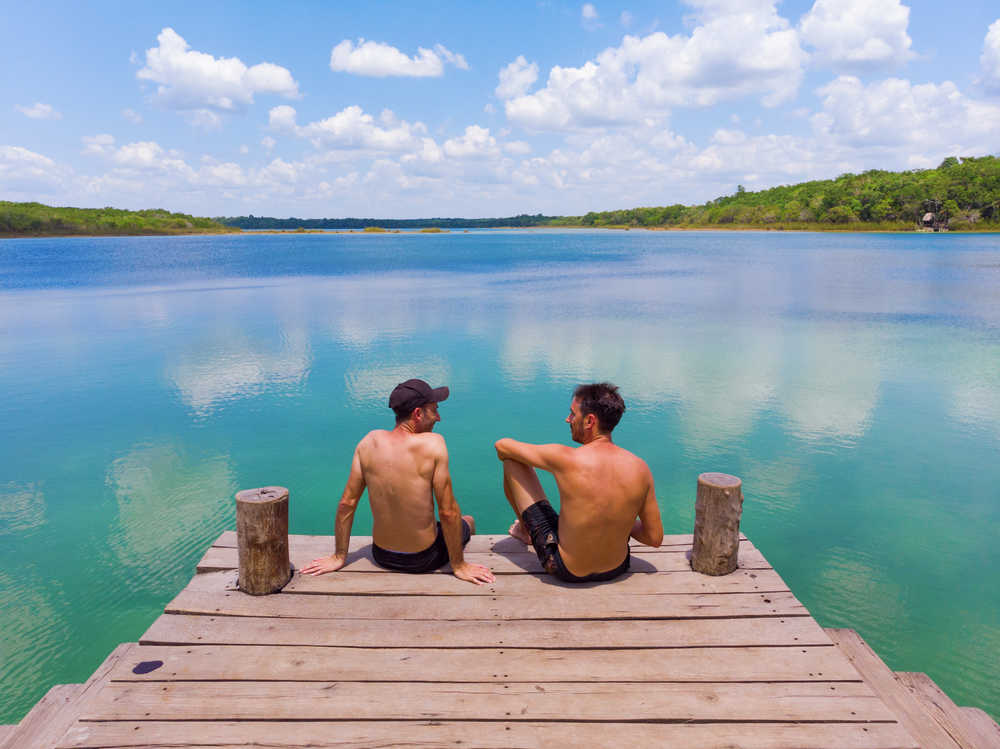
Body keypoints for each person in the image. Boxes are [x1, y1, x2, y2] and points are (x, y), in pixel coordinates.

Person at [301, 379, 495, 585]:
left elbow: (347, 504)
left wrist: (339, 556)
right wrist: (459, 565)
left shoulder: (369, 441)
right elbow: (448, 512)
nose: (438, 418)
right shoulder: (433, 444)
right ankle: (462, 553)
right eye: (434, 410)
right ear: (418, 414)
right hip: (423, 559)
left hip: (381, 555)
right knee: (467, 521)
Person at [494, 382, 663, 583]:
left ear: (590, 421)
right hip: (617, 568)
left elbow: (502, 446)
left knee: (513, 461)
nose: (568, 419)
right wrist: (618, 518)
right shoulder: (640, 468)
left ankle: (524, 531)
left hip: (567, 569)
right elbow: (654, 538)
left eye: (573, 414)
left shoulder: (565, 458)